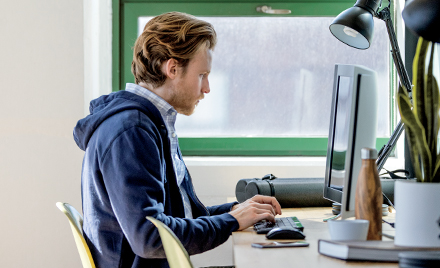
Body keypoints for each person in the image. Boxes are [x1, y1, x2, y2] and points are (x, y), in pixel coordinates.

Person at [73, 12, 281, 268]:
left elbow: (178, 216)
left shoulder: (149, 122)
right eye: (202, 75)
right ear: (172, 68)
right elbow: (150, 238)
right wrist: (233, 221)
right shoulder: (132, 131)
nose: (206, 88)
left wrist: (236, 211)